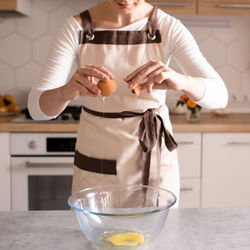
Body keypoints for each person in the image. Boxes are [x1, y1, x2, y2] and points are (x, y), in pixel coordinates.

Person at [28, 0, 228, 207]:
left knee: (157, 235)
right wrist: (65, 91)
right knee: (96, 234)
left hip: (154, 159)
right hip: (97, 157)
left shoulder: (167, 27)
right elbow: (37, 109)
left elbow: (220, 96)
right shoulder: (76, 28)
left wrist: (183, 81)